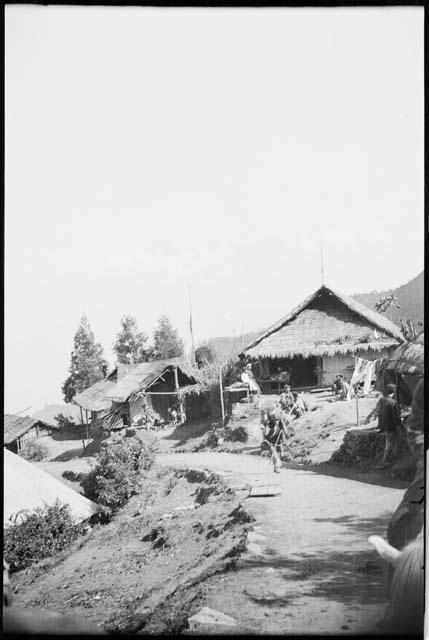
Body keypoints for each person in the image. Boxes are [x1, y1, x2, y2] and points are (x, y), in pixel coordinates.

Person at [366, 383, 403, 469]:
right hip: (390, 426)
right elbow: (396, 418)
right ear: (394, 392)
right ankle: (384, 461)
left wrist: (379, 425)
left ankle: (390, 458)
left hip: (382, 425)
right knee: (389, 443)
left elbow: (378, 412)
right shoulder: (393, 403)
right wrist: (401, 426)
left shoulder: (382, 400)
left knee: (390, 442)